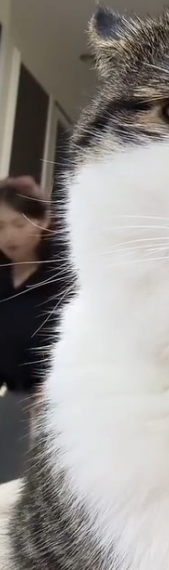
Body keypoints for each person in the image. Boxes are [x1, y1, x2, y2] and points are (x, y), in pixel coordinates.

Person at [0, 176, 66, 483]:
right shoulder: (2, 280)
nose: (9, 236)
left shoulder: (59, 281)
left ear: (41, 222)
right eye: (0, 227)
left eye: (18, 223)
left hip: (53, 407)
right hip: (13, 403)